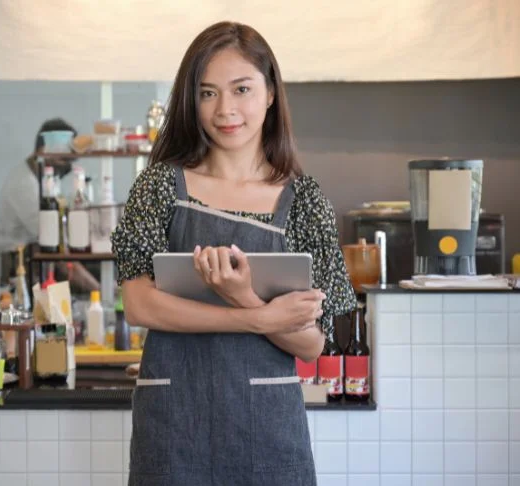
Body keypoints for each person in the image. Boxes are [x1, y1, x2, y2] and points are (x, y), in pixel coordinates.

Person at [111, 21, 356, 485]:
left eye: (241, 89)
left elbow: (312, 343)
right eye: (207, 93)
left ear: (269, 93)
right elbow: (140, 305)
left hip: (267, 429)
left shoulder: (304, 201)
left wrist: (243, 296)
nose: (225, 109)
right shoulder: (160, 186)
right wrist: (259, 318)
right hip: (173, 425)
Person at [0, 118, 99, 292]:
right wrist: (98, 290)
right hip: (19, 268)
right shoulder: (24, 184)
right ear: (44, 150)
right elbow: (53, 242)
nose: (67, 165)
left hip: (35, 263)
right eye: (64, 158)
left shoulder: (43, 180)